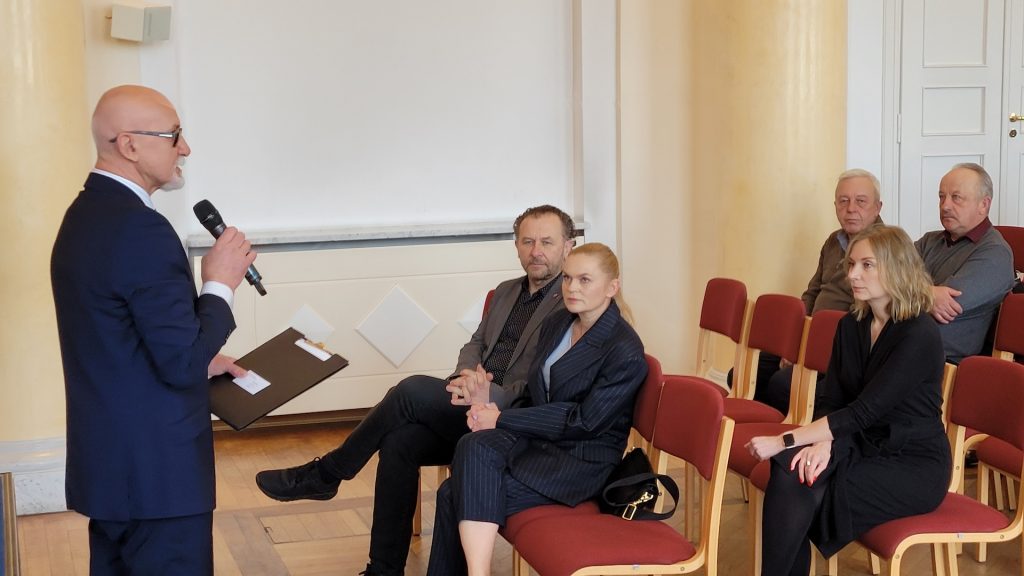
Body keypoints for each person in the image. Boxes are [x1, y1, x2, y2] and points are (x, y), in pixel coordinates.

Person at [255, 205, 575, 575]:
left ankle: (329, 473)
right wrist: (465, 377)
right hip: (469, 401)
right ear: (516, 246)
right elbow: (475, 343)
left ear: (568, 246)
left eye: (547, 242)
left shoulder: (568, 303)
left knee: (409, 390)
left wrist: (487, 395)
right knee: (400, 443)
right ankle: (383, 570)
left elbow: (543, 380)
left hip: (511, 418)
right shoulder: (505, 292)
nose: (537, 250)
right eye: (528, 241)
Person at [51, 85, 257, 575]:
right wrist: (220, 285)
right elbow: (180, 361)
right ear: (129, 145)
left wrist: (206, 357)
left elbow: (118, 336)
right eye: (174, 136)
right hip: (157, 476)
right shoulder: (139, 229)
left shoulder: (84, 215)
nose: (184, 148)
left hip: (112, 465)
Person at [426, 242, 647, 576]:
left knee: (451, 493)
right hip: (541, 442)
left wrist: (500, 418)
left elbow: (584, 421)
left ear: (611, 287)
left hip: (580, 460)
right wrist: (489, 401)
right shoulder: (559, 323)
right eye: (568, 278)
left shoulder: (624, 349)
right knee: (471, 443)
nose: (572, 288)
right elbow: (535, 390)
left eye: (585, 280)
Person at [746, 225, 951, 576]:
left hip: (911, 462)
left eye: (867, 265)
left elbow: (864, 410)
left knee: (807, 485)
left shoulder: (920, 333)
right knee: (791, 468)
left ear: (896, 268)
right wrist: (822, 441)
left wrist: (785, 439)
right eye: (852, 264)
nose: (853, 275)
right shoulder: (851, 325)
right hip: (858, 440)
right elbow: (832, 398)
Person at [755, 169, 884, 413]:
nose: (851, 208)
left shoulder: (885, 248)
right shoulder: (833, 241)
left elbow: (867, 313)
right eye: (843, 201)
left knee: (781, 385)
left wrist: (807, 348)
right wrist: (794, 340)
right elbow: (812, 293)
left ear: (877, 207)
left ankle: (807, 437)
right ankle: (771, 431)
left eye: (861, 201)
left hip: (842, 347)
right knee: (749, 372)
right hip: (811, 337)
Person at [916, 162, 1015, 363]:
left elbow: (949, 303)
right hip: (898, 346)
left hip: (939, 364)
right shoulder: (929, 241)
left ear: (983, 205)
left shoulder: (995, 253)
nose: (945, 205)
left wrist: (907, 291)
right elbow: (882, 277)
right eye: (941, 196)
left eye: (956, 198)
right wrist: (927, 293)